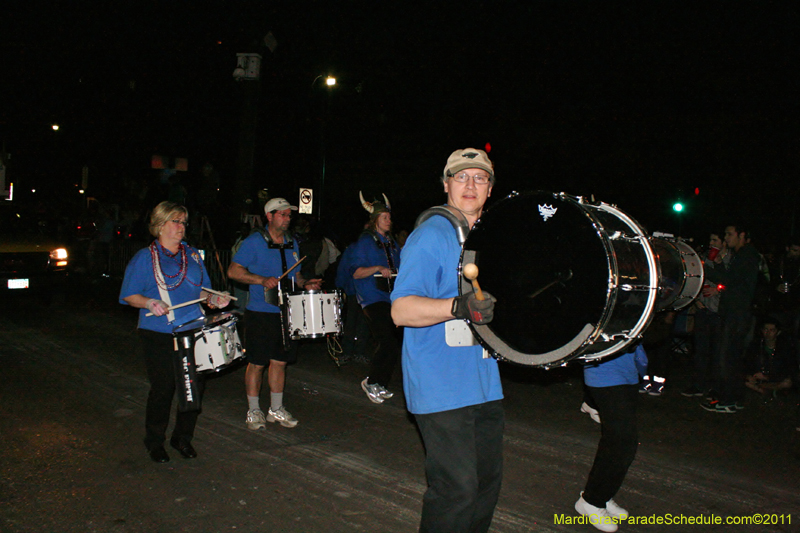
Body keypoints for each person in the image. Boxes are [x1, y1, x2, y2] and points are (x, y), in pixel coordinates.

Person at [391, 148, 501, 532]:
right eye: (461, 176)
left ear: (490, 188)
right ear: (446, 184)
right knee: (456, 491)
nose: (471, 185)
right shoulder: (431, 234)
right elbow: (401, 310)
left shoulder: (490, 239)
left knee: (486, 487)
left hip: (486, 384)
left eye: (480, 177)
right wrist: (458, 306)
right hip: (440, 384)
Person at [119, 201, 230, 463]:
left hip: (193, 329)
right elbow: (128, 295)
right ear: (160, 224)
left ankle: (182, 438)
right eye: (176, 221)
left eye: (183, 222)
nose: (182, 227)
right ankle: (154, 441)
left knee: (193, 388)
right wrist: (149, 302)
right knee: (163, 388)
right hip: (159, 332)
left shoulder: (192, 255)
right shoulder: (145, 257)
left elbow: (203, 291)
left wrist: (214, 300)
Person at [227, 198, 321, 430]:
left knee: (280, 362)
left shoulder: (291, 243)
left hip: (285, 311)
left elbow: (295, 277)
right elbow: (233, 271)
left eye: (290, 215)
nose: (288, 219)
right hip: (260, 312)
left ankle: (275, 409)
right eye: (283, 215)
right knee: (257, 363)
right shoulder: (254, 241)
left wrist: (306, 284)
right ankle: (254, 410)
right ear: (269, 216)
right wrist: (260, 280)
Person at [575, 345, 644, 532]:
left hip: (627, 372)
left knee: (614, 440)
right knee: (623, 443)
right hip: (605, 371)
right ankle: (592, 501)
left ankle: (598, 496)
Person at [701, 224, 760, 413]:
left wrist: (704, 268)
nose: (726, 238)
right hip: (735, 312)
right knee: (732, 357)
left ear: (742, 235)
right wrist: (717, 264)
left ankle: (728, 399)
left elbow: (729, 280)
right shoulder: (743, 255)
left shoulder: (747, 255)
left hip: (737, 314)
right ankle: (734, 398)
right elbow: (733, 280)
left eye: (729, 234)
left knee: (727, 357)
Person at [352, 192, 402, 403]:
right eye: (385, 217)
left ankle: (380, 383)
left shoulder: (391, 242)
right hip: (372, 297)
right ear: (375, 220)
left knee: (395, 342)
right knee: (387, 339)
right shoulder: (365, 241)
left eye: (389, 217)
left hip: (390, 298)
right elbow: (356, 272)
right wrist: (378, 268)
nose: (389, 220)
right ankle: (371, 382)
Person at [744, 317, 794, 396]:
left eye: (772, 330)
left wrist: (767, 377)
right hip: (759, 379)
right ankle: (769, 391)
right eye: (766, 329)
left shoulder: (784, 348)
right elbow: (747, 363)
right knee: (747, 382)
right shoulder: (756, 346)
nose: (768, 333)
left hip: (774, 379)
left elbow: (788, 369)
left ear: (778, 332)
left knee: (787, 383)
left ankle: (765, 390)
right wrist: (750, 375)